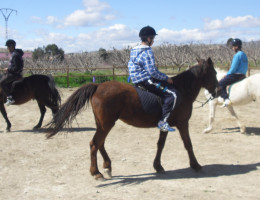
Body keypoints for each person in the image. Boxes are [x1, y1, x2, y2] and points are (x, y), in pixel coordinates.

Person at [128, 26, 178, 132]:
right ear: (148, 38)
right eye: (153, 38)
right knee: (172, 94)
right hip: (146, 80)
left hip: (135, 79)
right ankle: (163, 122)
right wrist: (166, 78)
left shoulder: (133, 50)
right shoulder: (147, 51)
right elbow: (152, 72)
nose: (153, 40)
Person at [219, 38, 248, 107]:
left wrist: (227, 74)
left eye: (233, 46)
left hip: (235, 76)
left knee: (220, 84)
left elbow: (233, 68)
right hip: (243, 75)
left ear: (236, 47)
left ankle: (226, 99)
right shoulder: (244, 54)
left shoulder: (237, 55)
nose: (232, 48)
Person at [0, 39, 24, 106]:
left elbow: (17, 67)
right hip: (13, 73)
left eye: (8, 46)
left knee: (1, 82)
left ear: (11, 46)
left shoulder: (15, 55)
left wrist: (8, 69)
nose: (7, 48)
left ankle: (10, 98)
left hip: (14, 74)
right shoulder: (14, 54)